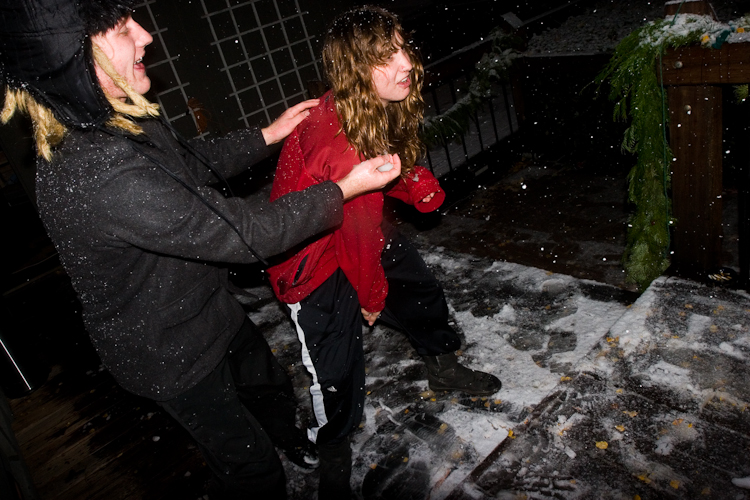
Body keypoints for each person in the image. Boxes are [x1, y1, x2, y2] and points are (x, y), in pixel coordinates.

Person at [0, 0, 401, 498]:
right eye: (123, 30)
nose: (146, 35)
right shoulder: (100, 173)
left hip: (208, 309)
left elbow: (191, 163)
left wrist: (267, 135)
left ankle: (292, 439)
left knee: (269, 386)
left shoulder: (117, 120)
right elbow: (246, 233)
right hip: (166, 351)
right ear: (75, 61)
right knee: (250, 466)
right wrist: (343, 189)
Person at [266, 5, 502, 498]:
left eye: (401, 49)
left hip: (359, 225)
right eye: (384, 57)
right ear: (355, 70)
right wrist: (370, 295)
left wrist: (415, 185)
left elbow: (384, 160)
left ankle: (443, 366)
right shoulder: (336, 142)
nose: (405, 63)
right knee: (335, 371)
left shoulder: (366, 103)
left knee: (419, 292)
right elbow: (353, 236)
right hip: (309, 261)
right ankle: (333, 452)